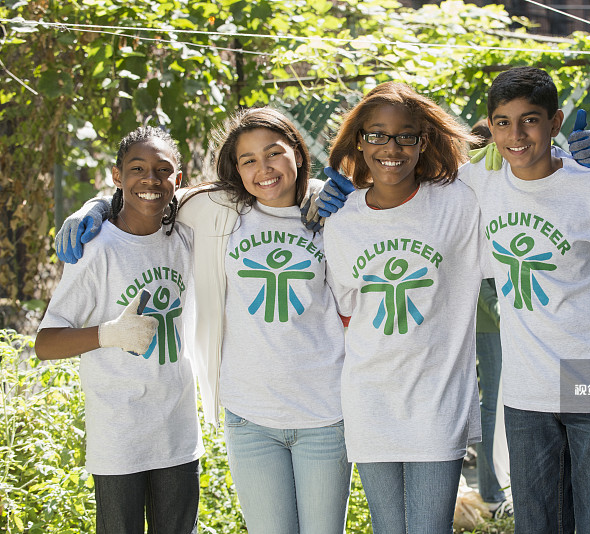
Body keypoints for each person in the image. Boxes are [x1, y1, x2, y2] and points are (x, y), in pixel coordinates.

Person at [54, 108, 352, 534]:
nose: (263, 169)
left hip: (324, 413)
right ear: (235, 169)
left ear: (299, 154)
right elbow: (152, 195)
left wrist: (339, 192)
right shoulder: (219, 213)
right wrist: (97, 204)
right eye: (248, 160)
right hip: (251, 417)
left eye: (274, 154)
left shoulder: (328, 215)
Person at [458, 67, 590, 534]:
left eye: (530, 121)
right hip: (526, 383)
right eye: (502, 122)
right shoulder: (480, 180)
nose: (515, 135)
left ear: (556, 123)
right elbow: (413, 192)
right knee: (538, 522)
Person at [322, 81, 490, 534]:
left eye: (405, 136)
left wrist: (574, 163)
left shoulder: (459, 202)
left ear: (423, 142)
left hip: (437, 399)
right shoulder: (340, 219)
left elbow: (517, 176)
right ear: (360, 141)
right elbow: (345, 312)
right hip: (370, 398)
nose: (390, 147)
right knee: (388, 528)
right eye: (376, 134)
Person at [35, 126, 203, 533]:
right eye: (137, 169)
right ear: (116, 176)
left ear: (177, 181)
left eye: (163, 170)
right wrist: (107, 334)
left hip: (177, 433)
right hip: (119, 434)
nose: (150, 179)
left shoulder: (185, 237)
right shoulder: (97, 250)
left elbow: (233, 196)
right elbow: (44, 343)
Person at [469, 119, 512, 518]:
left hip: (500, 310)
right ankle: (492, 490)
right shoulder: (474, 184)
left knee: (499, 400)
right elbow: (479, 271)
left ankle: (499, 487)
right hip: (490, 317)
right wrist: (504, 315)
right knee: (493, 399)